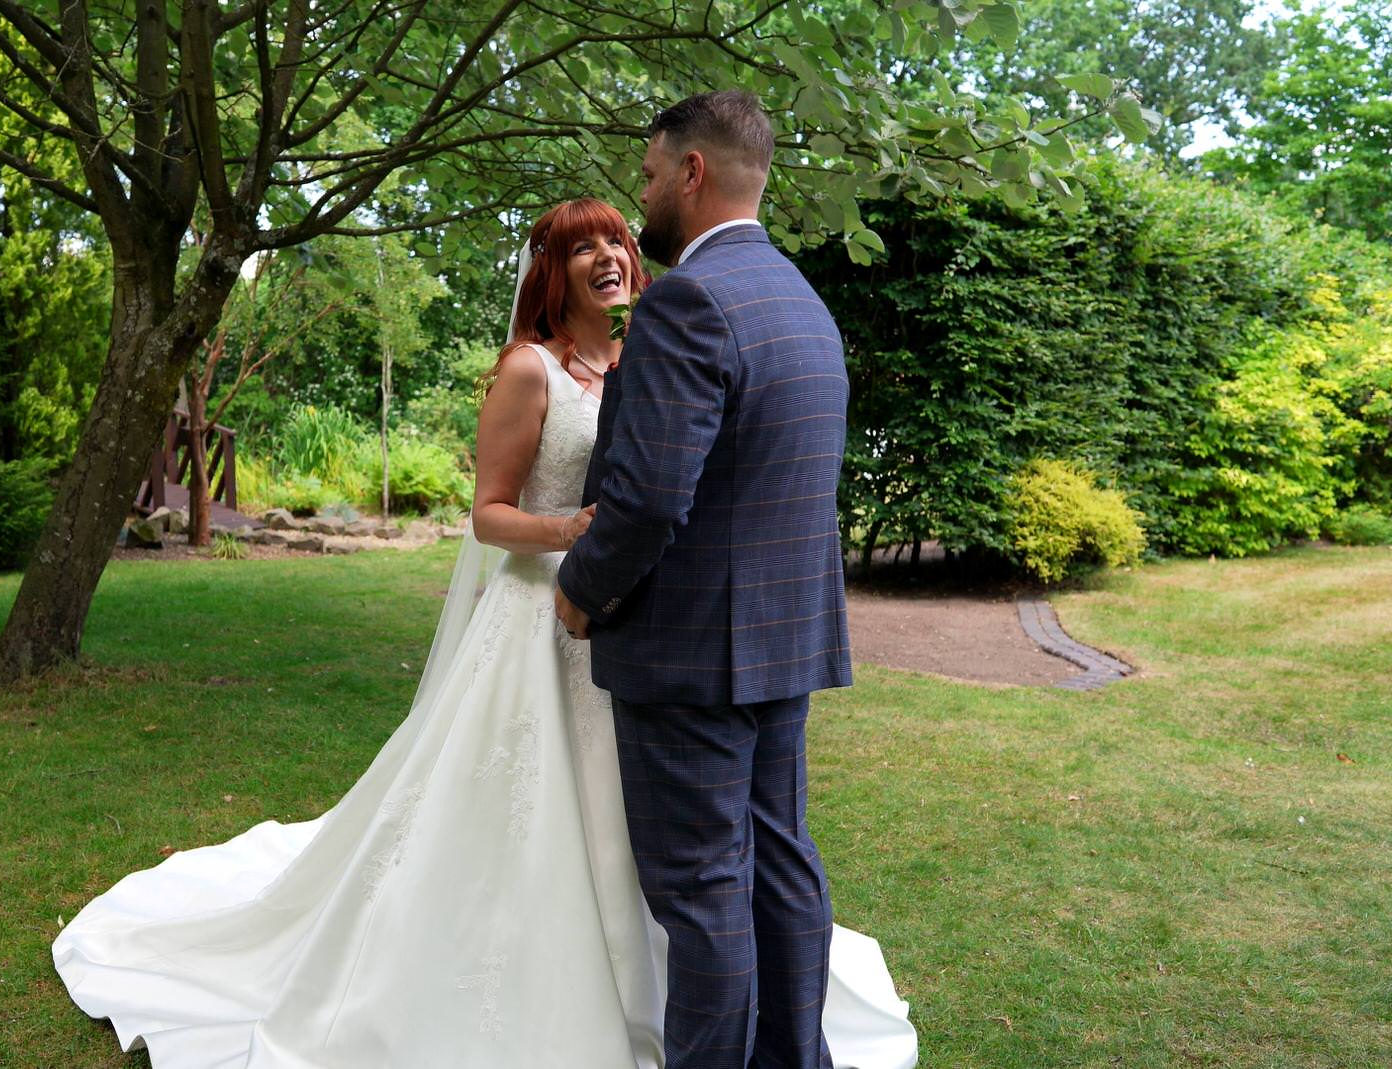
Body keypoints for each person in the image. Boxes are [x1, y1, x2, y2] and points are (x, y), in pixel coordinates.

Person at [51, 195, 916, 1069]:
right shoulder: (529, 369)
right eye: (584, 249)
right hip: (542, 621)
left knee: (658, 840)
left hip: (638, 633)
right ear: (553, 272)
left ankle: (672, 1000)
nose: (608, 256)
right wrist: (571, 533)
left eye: (616, 239)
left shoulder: (644, 357)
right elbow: (488, 515)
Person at [555, 90, 857, 1069]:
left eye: (647, 174)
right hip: (781, 641)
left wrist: (583, 588)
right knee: (780, 865)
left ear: (690, 173)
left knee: (701, 890)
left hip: (689, 653)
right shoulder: (801, 303)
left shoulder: (687, 299)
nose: (641, 194)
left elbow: (645, 499)